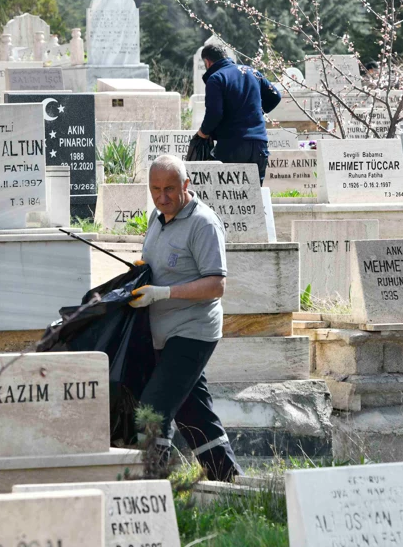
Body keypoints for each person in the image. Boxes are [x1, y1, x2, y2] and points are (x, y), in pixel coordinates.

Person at [128, 155, 242, 481]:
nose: (162, 197)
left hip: (193, 331)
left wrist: (163, 293)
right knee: (194, 414)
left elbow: (216, 284)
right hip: (160, 331)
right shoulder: (157, 216)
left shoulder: (203, 224)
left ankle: (148, 491)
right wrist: (140, 273)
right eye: (155, 189)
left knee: (152, 409)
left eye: (170, 189)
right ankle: (228, 480)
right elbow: (158, 262)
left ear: (186, 185)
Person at [194, 42, 280, 181]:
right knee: (254, 197)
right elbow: (275, 96)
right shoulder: (251, 72)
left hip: (232, 144)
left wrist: (203, 132)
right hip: (259, 143)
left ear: (207, 62)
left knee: (230, 198)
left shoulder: (216, 78)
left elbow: (214, 113)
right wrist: (256, 112)